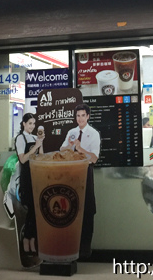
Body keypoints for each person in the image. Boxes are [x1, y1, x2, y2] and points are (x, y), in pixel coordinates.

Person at [60, 103, 100, 258]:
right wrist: (70, 146)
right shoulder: (71, 132)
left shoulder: (94, 133)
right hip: (71, 172)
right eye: (78, 116)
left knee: (88, 208)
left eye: (83, 115)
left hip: (86, 172)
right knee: (72, 207)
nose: (80, 118)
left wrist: (80, 148)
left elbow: (94, 158)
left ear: (88, 116)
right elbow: (62, 150)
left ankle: (85, 249)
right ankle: (72, 247)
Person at [14, 113, 45, 267]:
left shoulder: (34, 138)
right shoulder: (20, 138)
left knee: (36, 210)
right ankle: (27, 242)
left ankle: (31, 241)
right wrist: (35, 148)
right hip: (26, 178)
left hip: (36, 176)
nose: (32, 126)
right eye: (30, 123)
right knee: (31, 208)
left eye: (34, 123)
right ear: (24, 124)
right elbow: (23, 159)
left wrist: (41, 143)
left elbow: (41, 157)